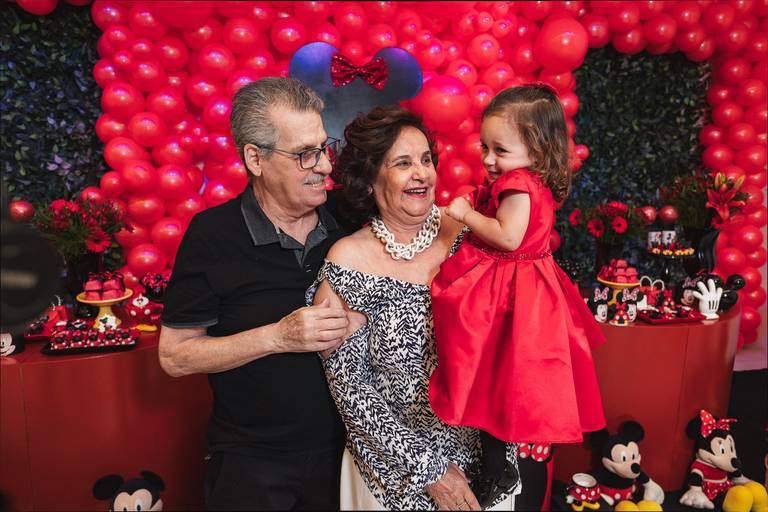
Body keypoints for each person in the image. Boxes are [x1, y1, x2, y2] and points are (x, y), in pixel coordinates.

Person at [309, 106, 520, 511]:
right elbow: (352, 392)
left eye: (426, 160)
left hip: (485, 466)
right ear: (371, 177)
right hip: (394, 476)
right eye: (403, 163)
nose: (421, 173)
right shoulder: (348, 261)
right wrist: (430, 470)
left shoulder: (471, 236)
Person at [158, 77, 351, 511]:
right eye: (304, 154)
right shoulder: (212, 235)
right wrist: (278, 337)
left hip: (347, 457)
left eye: (324, 147)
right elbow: (175, 356)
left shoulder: (349, 217)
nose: (324, 165)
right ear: (255, 158)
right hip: (252, 462)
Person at [428, 84, 607, 507]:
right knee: (506, 377)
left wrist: (466, 215)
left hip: (511, 289)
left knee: (490, 367)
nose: (489, 158)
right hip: (530, 283)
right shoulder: (529, 179)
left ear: (536, 148)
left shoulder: (518, 184)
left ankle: (496, 466)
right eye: (485, 147)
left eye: (500, 150)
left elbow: (508, 237)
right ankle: (497, 459)